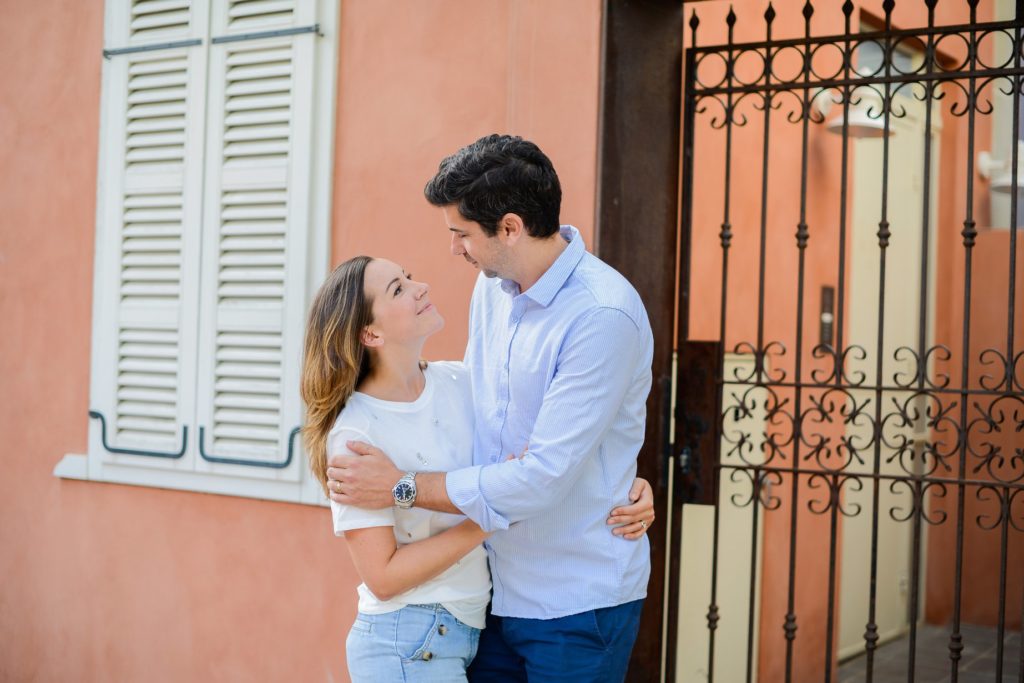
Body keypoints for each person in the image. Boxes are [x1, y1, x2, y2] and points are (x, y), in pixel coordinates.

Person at [326, 134, 656, 682]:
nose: (455, 249)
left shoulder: (601, 315)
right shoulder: (493, 290)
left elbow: (543, 475)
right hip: (491, 597)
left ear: (509, 227)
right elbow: (486, 420)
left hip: (573, 601)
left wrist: (401, 485)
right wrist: (618, 473)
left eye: (462, 233)